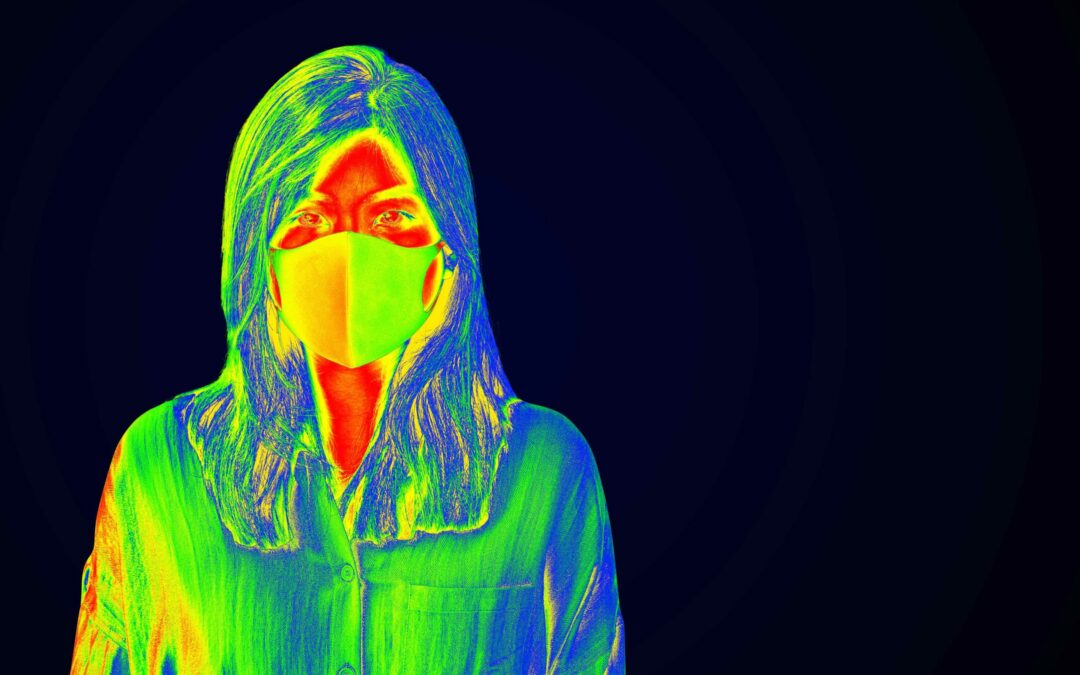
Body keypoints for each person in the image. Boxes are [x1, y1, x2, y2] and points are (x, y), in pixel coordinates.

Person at [69, 45, 624, 674]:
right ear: (259, 252)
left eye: (390, 217)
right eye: (310, 217)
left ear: (447, 247)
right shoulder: (158, 467)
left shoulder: (544, 470)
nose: (350, 256)